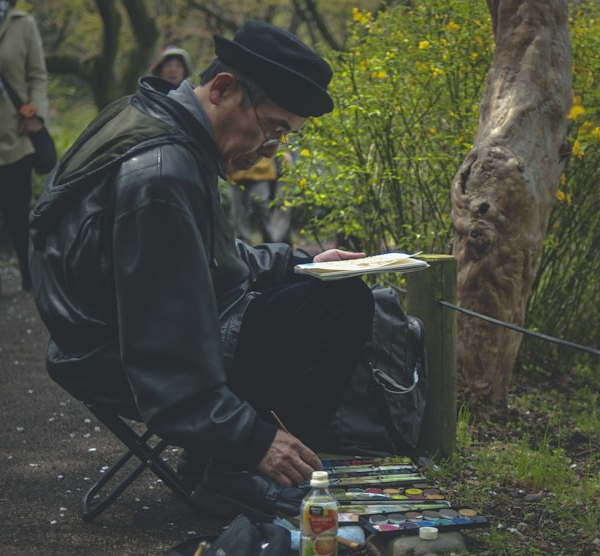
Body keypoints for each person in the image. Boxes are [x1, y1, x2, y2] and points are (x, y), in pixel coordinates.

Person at [28, 21, 374, 521]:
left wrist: (298, 262)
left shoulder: (147, 118)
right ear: (223, 89)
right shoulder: (164, 174)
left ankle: (213, 458)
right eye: (273, 126)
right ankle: (239, 476)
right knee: (338, 307)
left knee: (318, 286)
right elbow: (166, 350)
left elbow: (201, 257)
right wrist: (252, 440)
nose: (270, 147)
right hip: (112, 349)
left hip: (101, 328)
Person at [0, 0, 48, 300]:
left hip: (14, 131)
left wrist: (37, 115)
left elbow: (37, 76)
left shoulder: (22, 24)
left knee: (17, 210)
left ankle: (32, 277)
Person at [228, 154, 282, 243]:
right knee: (239, 210)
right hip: (237, 171)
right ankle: (243, 244)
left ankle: (270, 241)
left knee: (262, 206)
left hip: (261, 171)